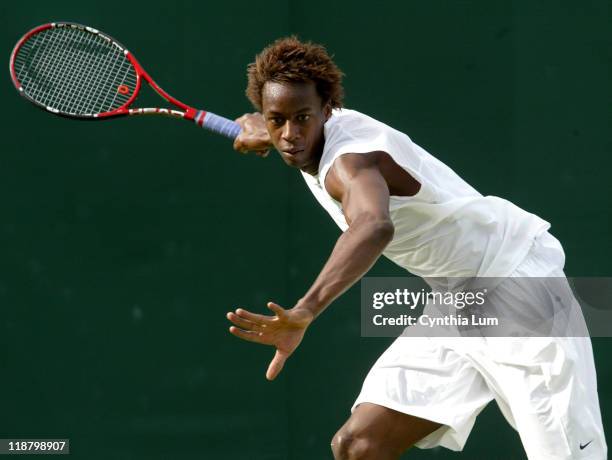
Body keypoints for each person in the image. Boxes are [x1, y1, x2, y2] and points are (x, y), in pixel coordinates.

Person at [225, 36, 607, 459]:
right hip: (457, 302)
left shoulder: (349, 162)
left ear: (327, 111)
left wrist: (305, 309)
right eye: (278, 120)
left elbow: (372, 225)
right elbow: (285, 124)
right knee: (359, 445)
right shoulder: (298, 129)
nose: (291, 135)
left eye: (303, 118)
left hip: (520, 289)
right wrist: (267, 127)